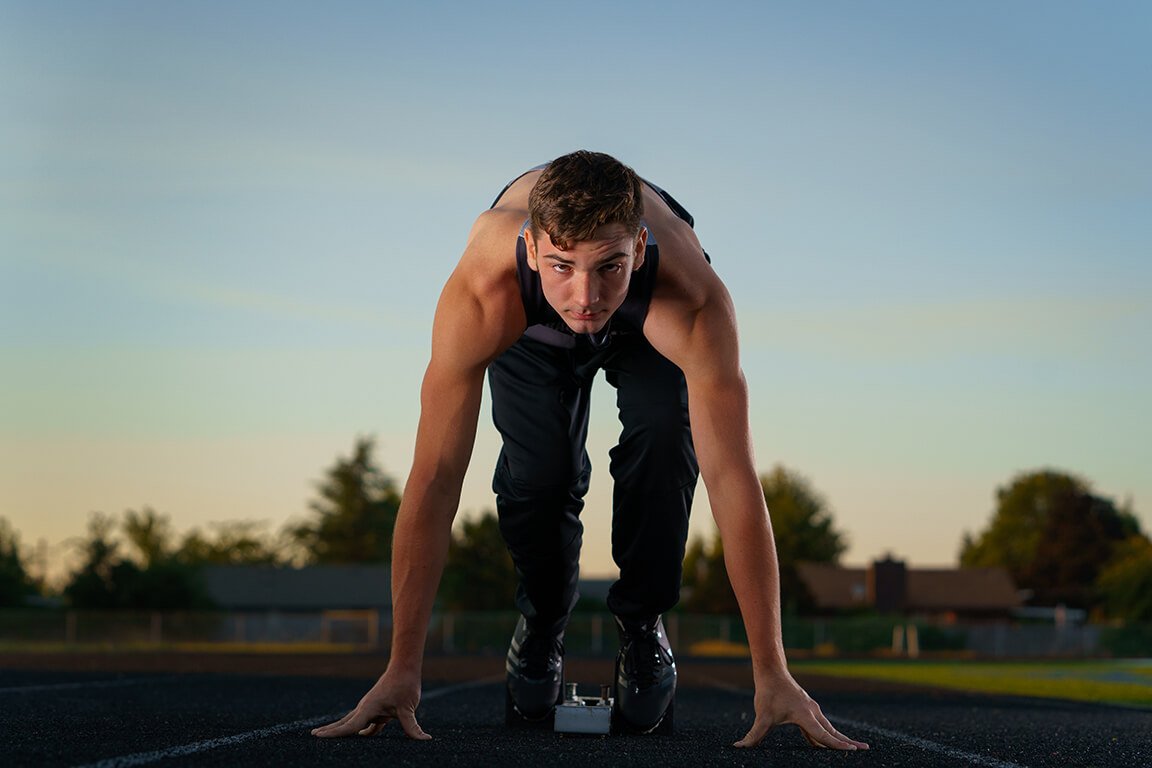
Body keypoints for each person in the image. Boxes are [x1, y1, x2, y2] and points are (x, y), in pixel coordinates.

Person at [311, 151, 868, 750]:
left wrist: (773, 671)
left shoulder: (692, 297)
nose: (585, 296)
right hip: (532, 331)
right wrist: (402, 667)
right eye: (562, 266)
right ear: (529, 248)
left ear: (641, 243)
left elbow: (731, 477)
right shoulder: (485, 289)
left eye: (609, 266)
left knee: (664, 444)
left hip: (650, 325)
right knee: (540, 474)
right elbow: (436, 476)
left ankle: (643, 625)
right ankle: (544, 620)